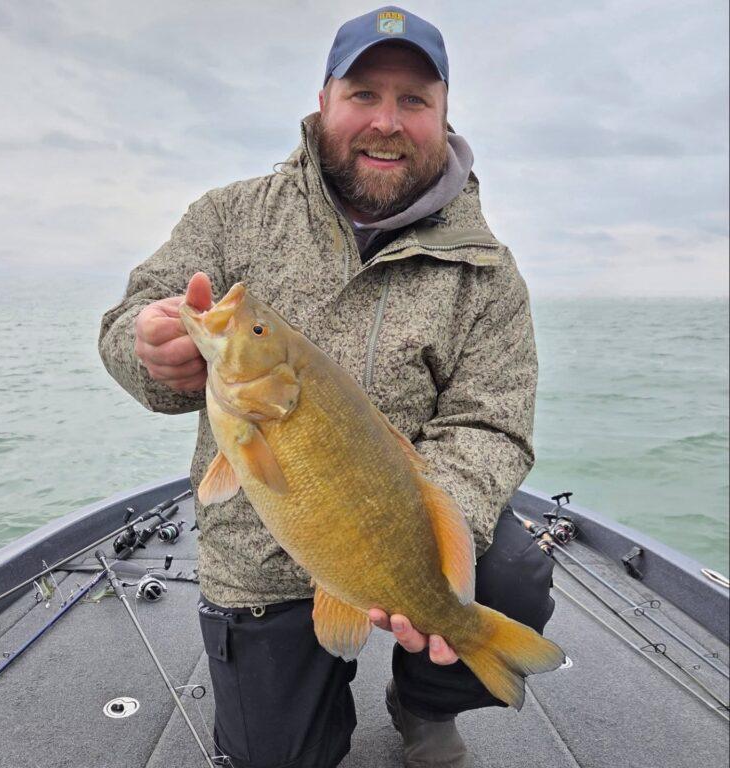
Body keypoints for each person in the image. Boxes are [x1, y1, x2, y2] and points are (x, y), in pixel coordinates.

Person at [98, 6, 555, 767]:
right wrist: (147, 352)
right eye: (364, 95)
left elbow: (491, 425)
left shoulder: (489, 272)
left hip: (402, 531)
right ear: (324, 101)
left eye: (414, 101)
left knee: (512, 573)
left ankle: (424, 699)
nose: (387, 121)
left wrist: (429, 556)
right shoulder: (229, 215)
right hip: (257, 553)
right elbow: (127, 322)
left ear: (443, 116)